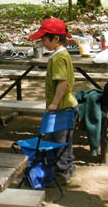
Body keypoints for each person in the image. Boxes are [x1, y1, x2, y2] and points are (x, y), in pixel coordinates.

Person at [29, 18, 77, 182]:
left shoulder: (58, 58)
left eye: (44, 39)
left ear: (56, 39)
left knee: (57, 142)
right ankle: (69, 167)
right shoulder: (62, 54)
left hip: (61, 108)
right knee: (66, 141)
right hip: (68, 105)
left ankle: (60, 174)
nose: (42, 42)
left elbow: (62, 83)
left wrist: (54, 103)